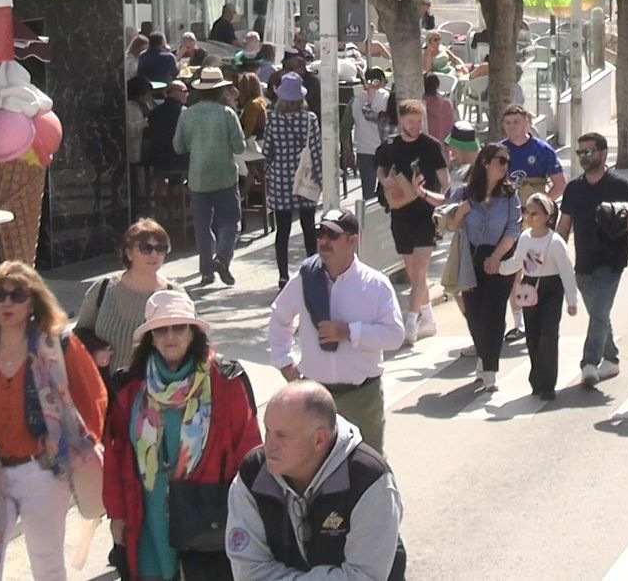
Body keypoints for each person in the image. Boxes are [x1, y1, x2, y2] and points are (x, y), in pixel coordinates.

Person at [0, 262, 106, 581]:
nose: (7, 303)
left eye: (17, 295)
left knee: (47, 564)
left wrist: (78, 452)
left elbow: (94, 398)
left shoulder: (59, 345)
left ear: (32, 302)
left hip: (42, 472)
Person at [103, 291, 260, 581]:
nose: (170, 336)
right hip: (147, 515)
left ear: (193, 332)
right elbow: (115, 455)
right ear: (151, 336)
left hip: (208, 519)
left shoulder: (226, 380)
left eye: (179, 327)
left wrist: (250, 513)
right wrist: (117, 515)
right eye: (161, 329)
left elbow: (248, 449)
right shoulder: (129, 386)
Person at [225, 381, 405, 581]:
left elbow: (363, 575)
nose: (269, 445)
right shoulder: (252, 474)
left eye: (282, 435)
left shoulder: (369, 479)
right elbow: (248, 570)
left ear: (319, 439)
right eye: (267, 431)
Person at [266, 208, 405, 453]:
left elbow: (394, 335)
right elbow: (280, 316)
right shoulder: (304, 279)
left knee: (366, 467)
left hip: (361, 397)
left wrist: (349, 332)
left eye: (332, 235)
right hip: (314, 397)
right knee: (312, 465)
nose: (323, 241)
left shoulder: (375, 285)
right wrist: (284, 362)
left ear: (353, 241)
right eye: (320, 233)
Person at [556, 132, 628, 388]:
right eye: (580, 153)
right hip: (583, 263)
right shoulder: (574, 188)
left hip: (612, 261)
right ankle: (611, 359)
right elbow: (564, 225)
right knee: (598, 313)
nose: (584, 157)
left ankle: (589, 363)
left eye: (589, 152)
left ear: (603, 153)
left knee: (599, 311)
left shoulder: (621, 186)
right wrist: (555, 256)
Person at [444, 144, 521, 385]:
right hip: (471, 257)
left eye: (507, 161)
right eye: (501, 160)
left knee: (494, 313)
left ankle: (490, 369)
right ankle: (483, 352)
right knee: (475, 313)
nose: (505, 166)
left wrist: (497, 257)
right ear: (485, 162)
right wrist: (459, 214)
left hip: (501, 256)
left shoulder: (510, 194)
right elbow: (449, 225)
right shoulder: (465, 192)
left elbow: (514, 228)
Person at [376, 99, 449, 344]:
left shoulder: (431, 146)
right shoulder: (390, 145)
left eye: (419, 122)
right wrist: (384, 179)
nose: (416, 126)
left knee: (419, 271)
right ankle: (427, 318)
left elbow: (445, 181)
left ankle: (411, 321)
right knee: (412, 271)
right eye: (411, 122)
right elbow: (381, 167)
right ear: (401, 121)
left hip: (425, 213)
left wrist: (437, 198)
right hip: (400, 212)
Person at [74, 218, 184, 380]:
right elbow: (80, 333)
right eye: (146, 248)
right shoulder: (103, 288)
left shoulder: (175, 293)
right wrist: (96, 350)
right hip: (108, 391)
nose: (154, 254)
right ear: (129, 252)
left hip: (158, 392)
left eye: (160, 248)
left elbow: (192, 341)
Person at [173, 67, 244, 287]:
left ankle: (206, 272)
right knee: (230, 221)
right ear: (221, 90)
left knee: (202, 225)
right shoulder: (226, 114)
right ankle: (222, 257)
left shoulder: (187, 113)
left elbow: (178, 146)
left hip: (197, 177)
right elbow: (239, 147)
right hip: (224, 175)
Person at [506, 193, 579, 400]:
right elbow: (516, 262)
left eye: (535, 213)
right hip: (529, 288)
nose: (530, 217)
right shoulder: (525, 238)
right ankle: (536, 379)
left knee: (548, 334)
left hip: (551, 289)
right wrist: (497, 267)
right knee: (533, 335)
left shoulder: (555, 242)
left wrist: (572, 301)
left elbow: (566, 272)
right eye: (527, 213)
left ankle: (547, 384)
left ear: (548, 216)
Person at [263, 72, 325, 290]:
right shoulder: (309, 120)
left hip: (281, 178)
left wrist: (271, 169)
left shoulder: (272, 118)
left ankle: (282, 275)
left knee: (283, 230)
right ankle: (312, 270)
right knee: (308, 227)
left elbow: (267, 150)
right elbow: (316, 151)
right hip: (305, 178)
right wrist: (320, 179)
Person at [500, 103, 566, 202]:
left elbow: (560, 184)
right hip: (504, 209)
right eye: (508, 123)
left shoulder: (543, 150)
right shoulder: (497, 151)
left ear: (526, 122)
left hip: (533, 209)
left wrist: (542, 206)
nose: (511, 126)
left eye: (516, 122)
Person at [351, 67, 393, 203]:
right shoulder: (385, 97)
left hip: (363, 150)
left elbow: (350, 122)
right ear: (379, 81)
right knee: (388, 193)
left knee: (368, 196)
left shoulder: (356, 100)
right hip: (384, 151)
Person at [422, 74, 456, 157]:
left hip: (425, 152)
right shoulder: (447, 105)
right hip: (443, 152)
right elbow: (451, 127)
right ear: (437, 86)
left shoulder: (420, 106)